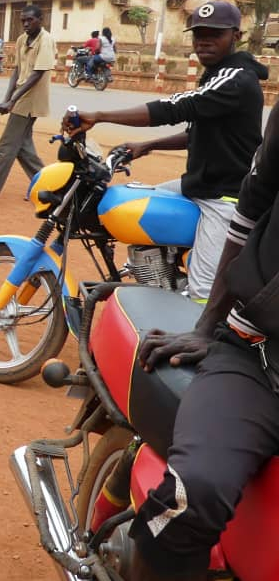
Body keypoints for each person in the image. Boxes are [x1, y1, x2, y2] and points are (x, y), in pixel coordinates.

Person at [127, 92, 279, 580]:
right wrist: (208, 326)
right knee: (193, 497)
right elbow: (249, 211)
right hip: (259, 359)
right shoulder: (235, 82)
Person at [62, 0, 266, 300]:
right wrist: (148, 146)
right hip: (198, 184)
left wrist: (100, 116)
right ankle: (160, 277)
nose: (204, 41)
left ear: (235, 35)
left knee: (204, 293)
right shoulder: (220, 73)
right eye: (199, 34)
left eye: (215, 34)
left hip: (225, 196)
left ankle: (204, 334)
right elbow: (199, 131)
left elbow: (177, 107)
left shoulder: (234, 79)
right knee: (143, 207)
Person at [0, 5, 54, 203]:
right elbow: (17, 71)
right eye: (23, 20)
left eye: (30, 20)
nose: (26, 24)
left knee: (7, 146)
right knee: (22, 147)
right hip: (19, 98)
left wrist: (12, 101)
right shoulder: (22, 40)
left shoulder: (45, 41)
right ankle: (50, 187)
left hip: (31, 99)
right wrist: (7, 98)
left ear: (41, 20)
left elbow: (37, 74)